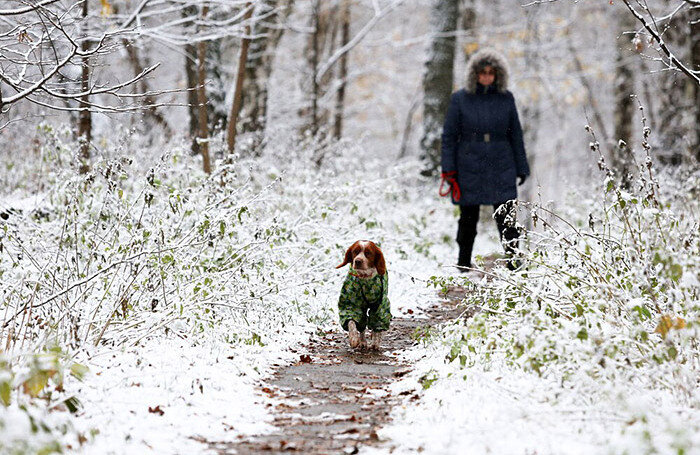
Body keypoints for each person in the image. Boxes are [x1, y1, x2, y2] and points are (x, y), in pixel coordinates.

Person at [439, 48, 530, 270]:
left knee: (506, 215)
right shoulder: (460, 99)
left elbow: (515, 134)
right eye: (483, 72)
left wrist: (521, 167)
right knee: (468, 217)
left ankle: (513, 261)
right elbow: (449, 136)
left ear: (498, 74)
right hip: (469, 162)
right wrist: (448, 169)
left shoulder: (506, 99)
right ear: (475, 74)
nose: (487, 76)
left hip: (501, 161)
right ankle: (463, 262)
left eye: (491, 72)